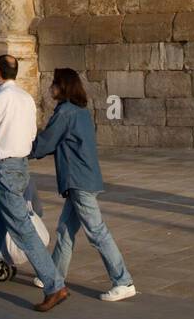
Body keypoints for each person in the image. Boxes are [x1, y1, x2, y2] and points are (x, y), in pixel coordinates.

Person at [0, 54, 69, 312]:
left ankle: (55, 285)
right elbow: (30, 134)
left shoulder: (2, 97)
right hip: (19, 166)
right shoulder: (26, 98)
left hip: (4, 169)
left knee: (22, 229)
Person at [30, 68, 135, 303]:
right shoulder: (81, 111)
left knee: (96, 232)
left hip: (79, 181)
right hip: (84, 178)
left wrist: (19, 150)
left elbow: (47, 142)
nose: (50, 88)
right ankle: (53, 276)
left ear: (62, 87)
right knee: (65, 230)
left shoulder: (66, 112)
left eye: (54, 84)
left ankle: (123, 280)